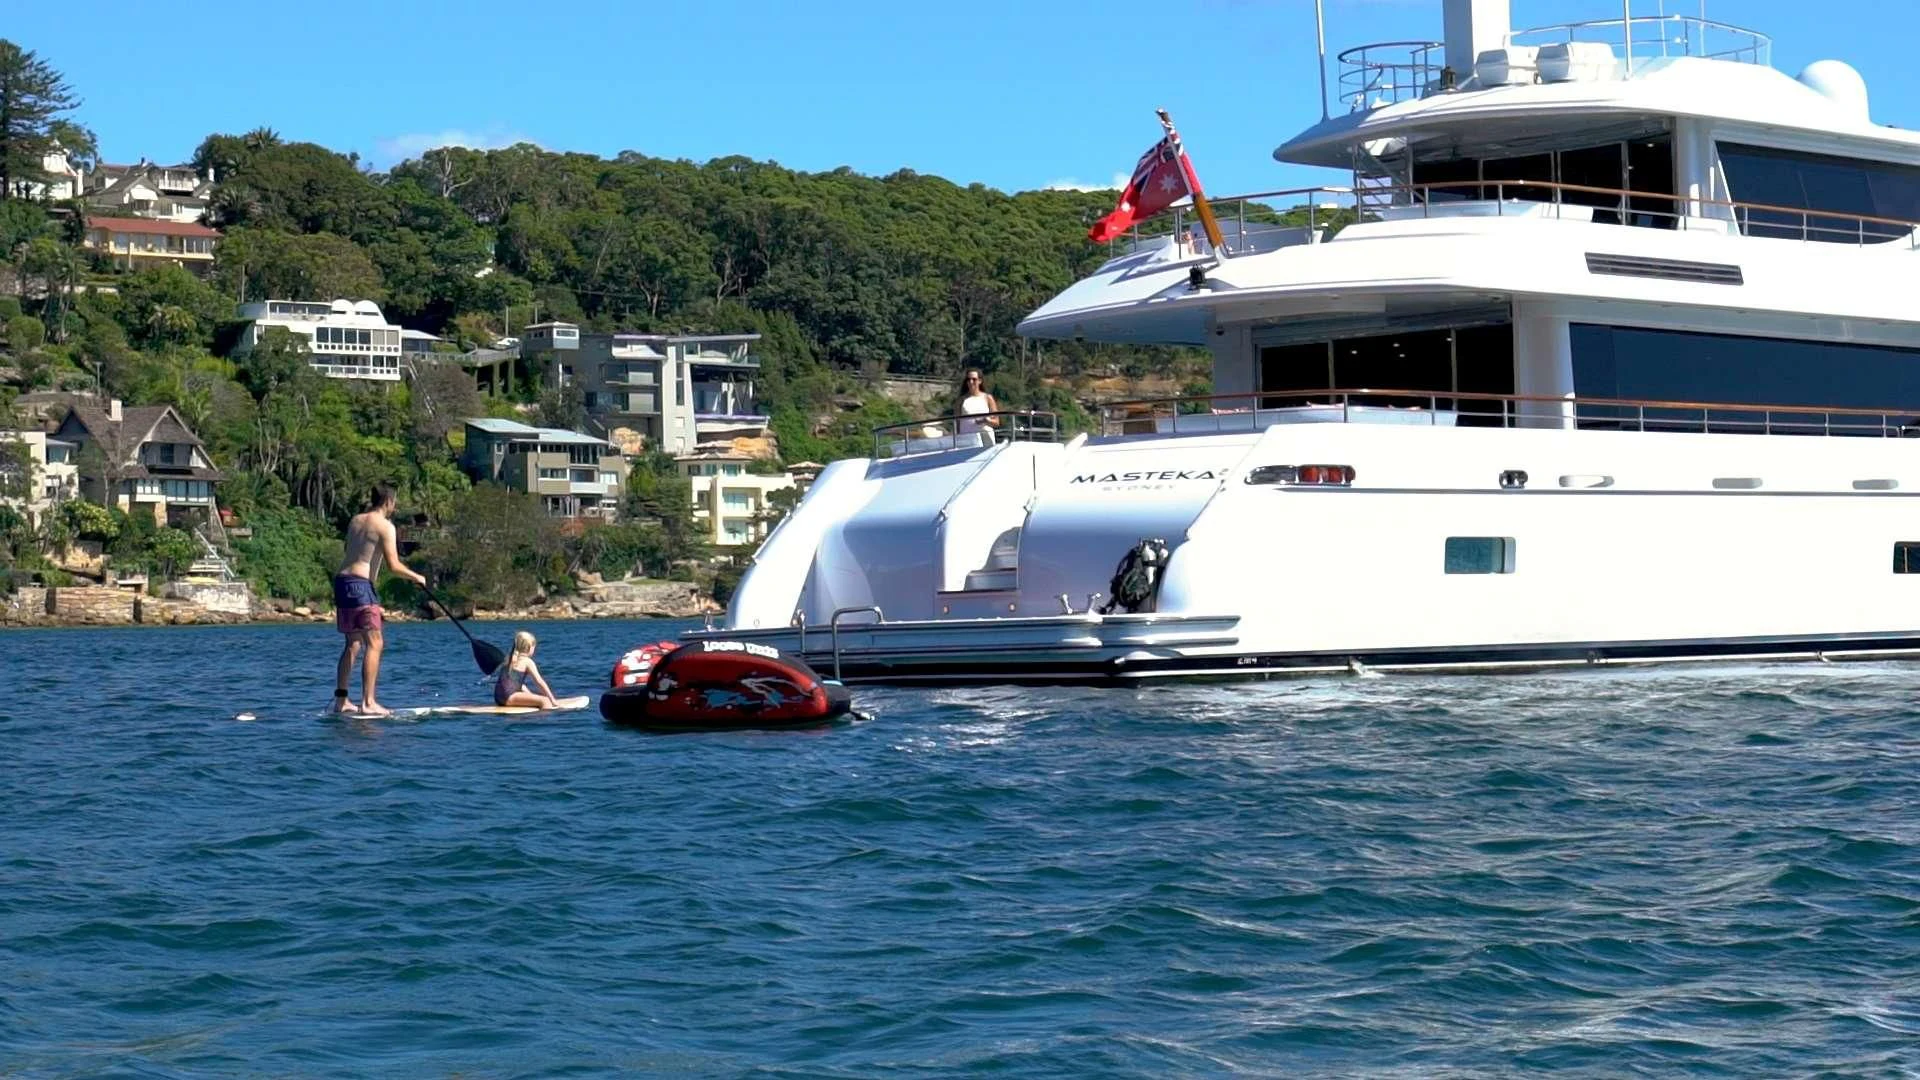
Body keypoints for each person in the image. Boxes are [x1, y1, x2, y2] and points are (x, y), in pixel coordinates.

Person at [330, 484, 426, 717]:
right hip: (360, 585)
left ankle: (341, 701)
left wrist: (370, 592)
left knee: (353, 643)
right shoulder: (386, 526)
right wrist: (417, 577)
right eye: (395, 502)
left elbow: (362, 554)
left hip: (342, 582)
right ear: (389, 502)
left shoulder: (356, 520)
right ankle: (368, 702)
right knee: (375, 643)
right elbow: (394, 565)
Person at [493, 631, 562, 709]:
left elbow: (515, 683)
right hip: (509, 697)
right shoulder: (527, 661)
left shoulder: (507, 659)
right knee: (545, 700)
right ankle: (545, 720)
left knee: (524, 687)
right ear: (529, 647)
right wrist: (552, 700)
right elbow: (539, 682)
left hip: (498, 698)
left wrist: (531, 696)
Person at [955, 369, 1000, 438]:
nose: (971, 382)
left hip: (985, 438)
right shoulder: (960, 400)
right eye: (968, 379)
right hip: (967, 438)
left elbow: (996, 422)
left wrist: (987, 420)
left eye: (974, 379)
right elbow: (957, 424)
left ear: (980, 381)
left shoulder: (988, 398)